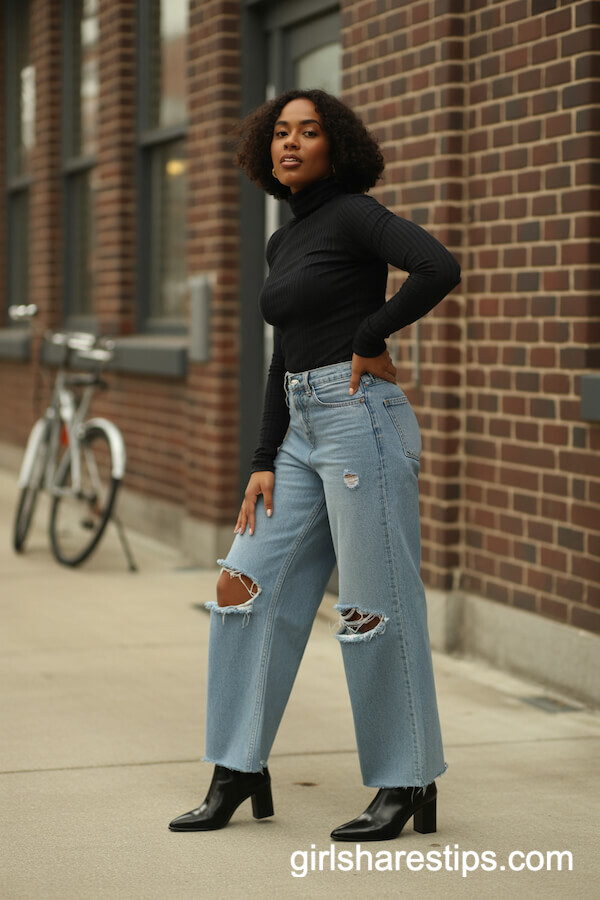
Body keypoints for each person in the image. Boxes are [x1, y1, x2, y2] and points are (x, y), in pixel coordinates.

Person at [169, 89, 461, 841]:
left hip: (360, 417)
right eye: (280, 133)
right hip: (299, 429)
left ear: (338, 147)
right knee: (241, 586)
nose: (290, 143)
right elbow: (281, 355)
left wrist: (371, 334)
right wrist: (264, 458)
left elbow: (436, 265)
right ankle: (238, 768)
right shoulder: (282, 240)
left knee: (371, 606)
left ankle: (406, 779)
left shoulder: (355, 214)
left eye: (309, 132)